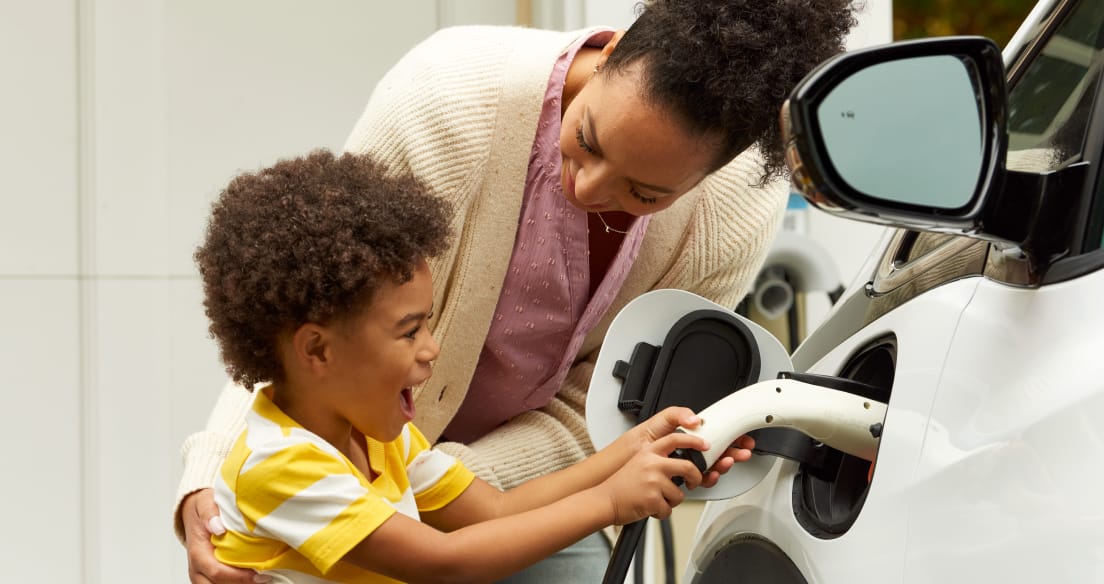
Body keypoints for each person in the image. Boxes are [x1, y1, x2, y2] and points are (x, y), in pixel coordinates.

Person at [177, 0, 857, 581]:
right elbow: (307, 321)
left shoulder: (733, 214)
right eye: (588, 139)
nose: (587, 189)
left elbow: (496, 513)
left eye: (644, 193)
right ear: (613, 50)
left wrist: (637, 448)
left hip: (475, 475)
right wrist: (210, 476)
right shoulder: (447, 97)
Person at [194, 149, 723, 583]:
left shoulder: (379, 437)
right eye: (409, 331)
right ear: (317, 351)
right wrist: (611, 501)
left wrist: (633, 450)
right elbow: (445, 563)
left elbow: (494, 511)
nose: (431, 348)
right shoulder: (281, 465)